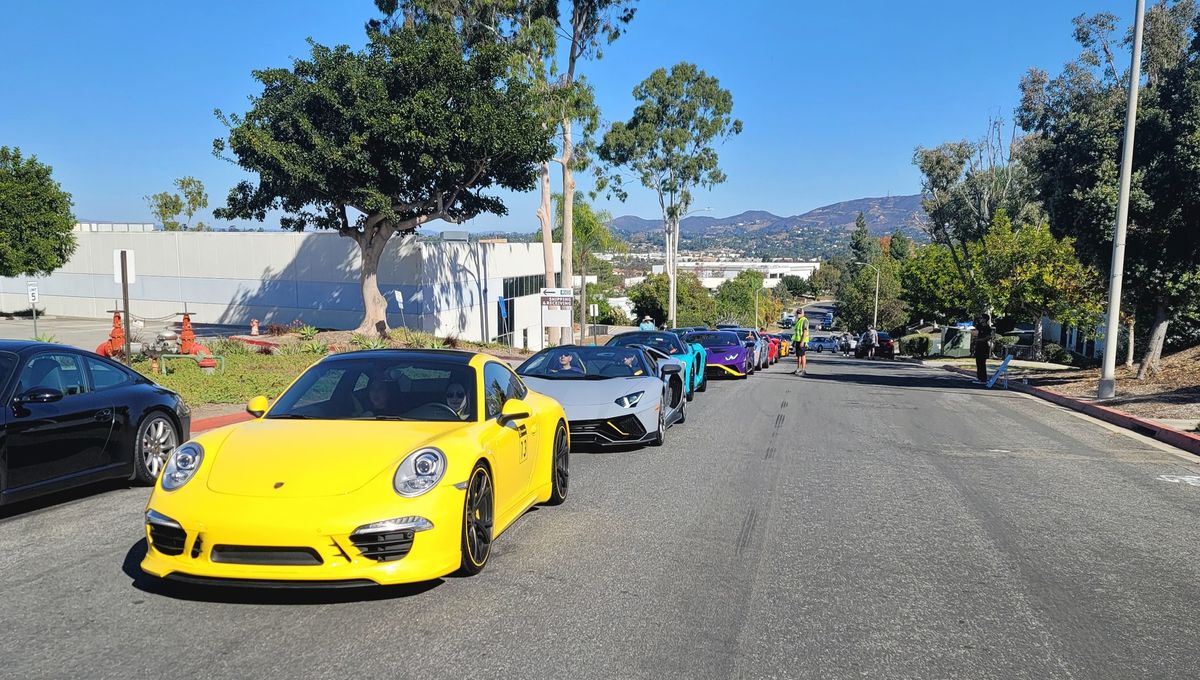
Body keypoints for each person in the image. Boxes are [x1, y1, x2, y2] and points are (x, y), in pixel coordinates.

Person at [974, 313, 994, 384]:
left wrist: (979, 340)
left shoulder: (988, 328)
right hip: (978, 346)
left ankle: (983, 379)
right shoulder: (979, 326)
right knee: (978, 363)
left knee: (982, 363)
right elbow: (975, 333)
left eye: (981, 318)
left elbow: (988, 337)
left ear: (985, 319)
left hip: (984, 347)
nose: (980, 319)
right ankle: (979, 378)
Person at [791, 308, 809, 375]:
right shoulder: (799, 320)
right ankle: (798, 369)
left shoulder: (804, 320)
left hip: (802, 341)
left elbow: (805, 331)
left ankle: (803, 370)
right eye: (797, 313)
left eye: (799, 313)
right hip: (798, 340)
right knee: (798, 356)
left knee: (802, 355)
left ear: (803, 313)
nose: (798, 314)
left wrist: (802, 341)